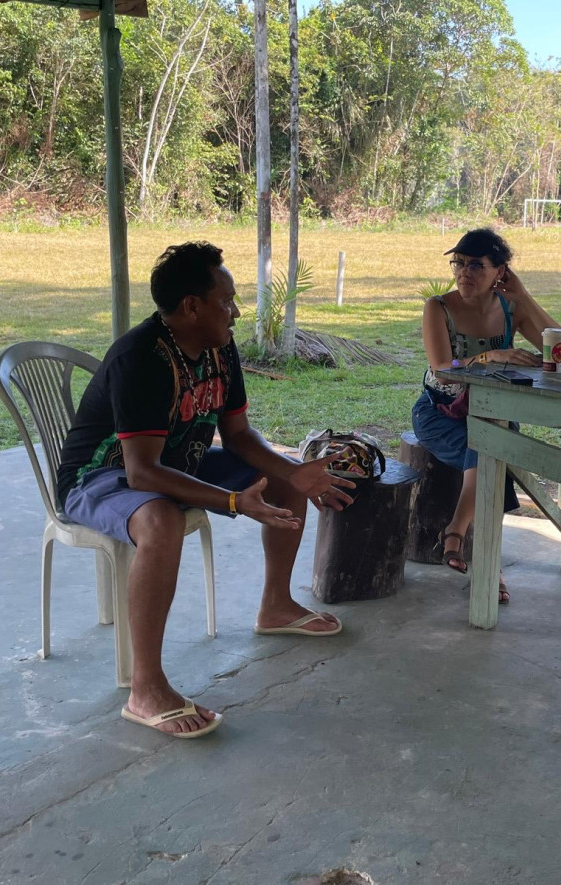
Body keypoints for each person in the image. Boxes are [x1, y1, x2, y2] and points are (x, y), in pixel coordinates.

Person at [55, 242, 356, 738]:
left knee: (283, 476)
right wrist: (234, 502)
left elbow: (238, 436)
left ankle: (276, 605)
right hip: (100, 476)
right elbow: (142, 474)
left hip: (176, 462)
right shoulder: (141, 357)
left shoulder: (220, 347)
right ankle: (145, 688)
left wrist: (293, 471)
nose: (235, 312)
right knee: (162, 519)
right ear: (192, 306)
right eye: (227, 301)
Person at [412, 228, 561, 603]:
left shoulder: (511, 308)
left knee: (491, 444)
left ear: (500, 271)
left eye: (477, 265)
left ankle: (459, 538)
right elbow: (443, 369)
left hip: (494, 414)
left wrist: (523, 297)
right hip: (440, 414)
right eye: (459, 263)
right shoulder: (438, 307)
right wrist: (490, 356)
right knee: (488, 453)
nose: (464, 272)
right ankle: (480, 556)